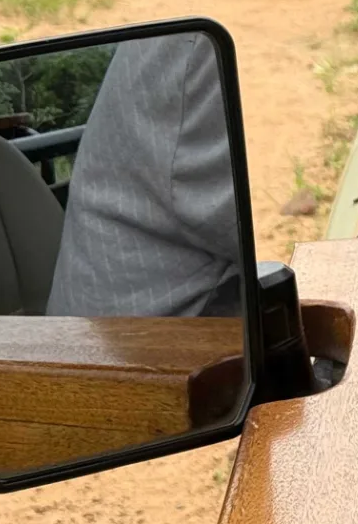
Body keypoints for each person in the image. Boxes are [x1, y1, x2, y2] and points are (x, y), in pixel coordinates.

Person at [46, 32, 244, 319]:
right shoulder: (206, 45)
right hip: (140, 350)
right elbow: (267, 234)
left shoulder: (173, 34)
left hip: (119, 332)